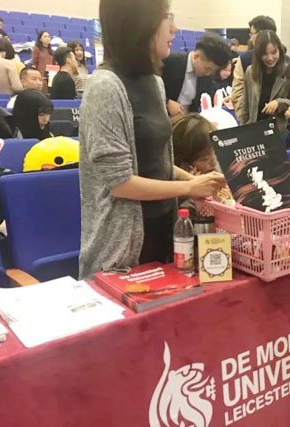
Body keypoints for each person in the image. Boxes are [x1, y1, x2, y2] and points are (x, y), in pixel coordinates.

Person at [78, 0, 226, 279]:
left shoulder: (155, 82)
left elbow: (159, 162)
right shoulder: (105, 87)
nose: (174, 28)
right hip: (122, 245)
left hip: (164, 230)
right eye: (166, 17)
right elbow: (121, 184)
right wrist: (190, 186)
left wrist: (200, 182)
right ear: (139, 24)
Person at [162, 33, 231, 116]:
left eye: (213, 71)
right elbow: (149, 89)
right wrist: (167, 102)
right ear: (196, 56)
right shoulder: (170, 61)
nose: (208, 73)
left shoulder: (207, 77)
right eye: (207, 68)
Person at [240, 30, 290, 133]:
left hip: (278, 132)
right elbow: (245, 106)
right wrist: (242, 130)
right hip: (254, 130)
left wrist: (279, 103)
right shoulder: (250, 71)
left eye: (274, 53)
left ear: (280, 51)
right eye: (265, 54)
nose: (270, 58)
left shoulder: (289, 72)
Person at [232, 15, 277, 118]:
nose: (250, 38)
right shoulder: (245, 60)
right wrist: (245, 120)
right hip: (252, 120)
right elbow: (238, 93)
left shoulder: (286, 64)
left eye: (252, 34)